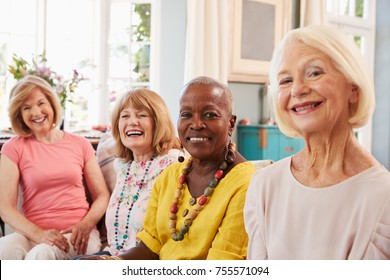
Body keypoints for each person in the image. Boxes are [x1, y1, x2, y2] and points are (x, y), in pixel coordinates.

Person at [244, 25, 390, 259]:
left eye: (314, 73)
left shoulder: (383, 198)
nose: (298, 89)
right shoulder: (264, 185)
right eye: (285, 80)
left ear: (353, 88)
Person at [80, 76, 256, 260]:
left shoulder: (246, 184)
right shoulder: (171, 175)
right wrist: (109, 262)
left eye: (210, 115)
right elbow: (150, 246)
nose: (196, 124)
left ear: (231, 123)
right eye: (186, 115)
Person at [0, 75, 110, 259]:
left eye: (41, 103)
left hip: (77, 235)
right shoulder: (13, 147)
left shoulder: (80, 143)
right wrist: (39, 234)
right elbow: (5, 207)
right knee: (5, 247)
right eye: (26, 108)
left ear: (52, 104)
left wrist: (86, 225)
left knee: (41, 255)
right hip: (34, 234)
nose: (36, 112)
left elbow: (102, 195)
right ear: (19, 114)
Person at [75, 88, 181, 259]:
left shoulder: (173, 164)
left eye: (141, 115)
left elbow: (165, 240)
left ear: (158, 122)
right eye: (125, 116)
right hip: (114, 256)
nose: (132, 122)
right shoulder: (123, 166)